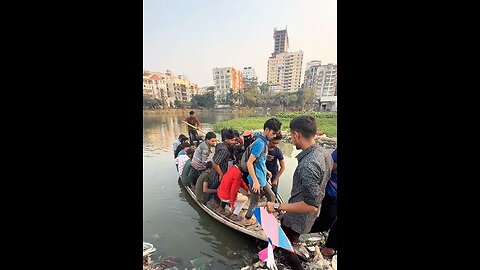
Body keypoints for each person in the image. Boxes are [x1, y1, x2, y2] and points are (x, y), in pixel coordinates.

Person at [265, 115, 333, 270]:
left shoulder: (308, 166)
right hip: (305, 216)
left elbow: (311, 206)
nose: (291, 139)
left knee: (285, 245)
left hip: (298, 218)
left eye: (291, 135)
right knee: (288, 236)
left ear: (297, 135)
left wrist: (277, 206)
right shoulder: (324, 153)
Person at [244, 118, 282, 226]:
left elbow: (260, 161)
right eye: (273, 133)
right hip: (256, 179)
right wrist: (255, 182)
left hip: (261, 177)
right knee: (254, 202)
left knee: (272, 196)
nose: (274, 136)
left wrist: (266, 170)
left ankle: (268, 217)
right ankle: (248, 219)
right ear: (266, 130)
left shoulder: (265, 143)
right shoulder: (260, 144)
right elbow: (249, 163)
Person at [310, 148, 337, 257]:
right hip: (332, 193)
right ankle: (294, 230)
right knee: (324, 223)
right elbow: (330, 166)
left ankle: (329, 247)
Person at [205, 129, 237, 205]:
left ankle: (215, 201)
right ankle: (205, 201)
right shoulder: (224, 150)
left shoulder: (220, 145)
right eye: (232, 140)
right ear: (226, 140)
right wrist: (221, 174)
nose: (234, 142)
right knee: (216, 186)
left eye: (234, 140)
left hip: (219, 171)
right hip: (219, 173)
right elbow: (215, 163)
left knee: (217, 187)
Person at [265, 132, 285, 197]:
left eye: (277, 143)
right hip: (264, 171)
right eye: (273, 143)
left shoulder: (278, 152)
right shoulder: (263, 148)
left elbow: (283, 167)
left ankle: (274, 205)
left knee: (274, 190)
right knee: (263, 187)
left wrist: (275, 180)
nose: (275, 145)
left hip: (274, 172)